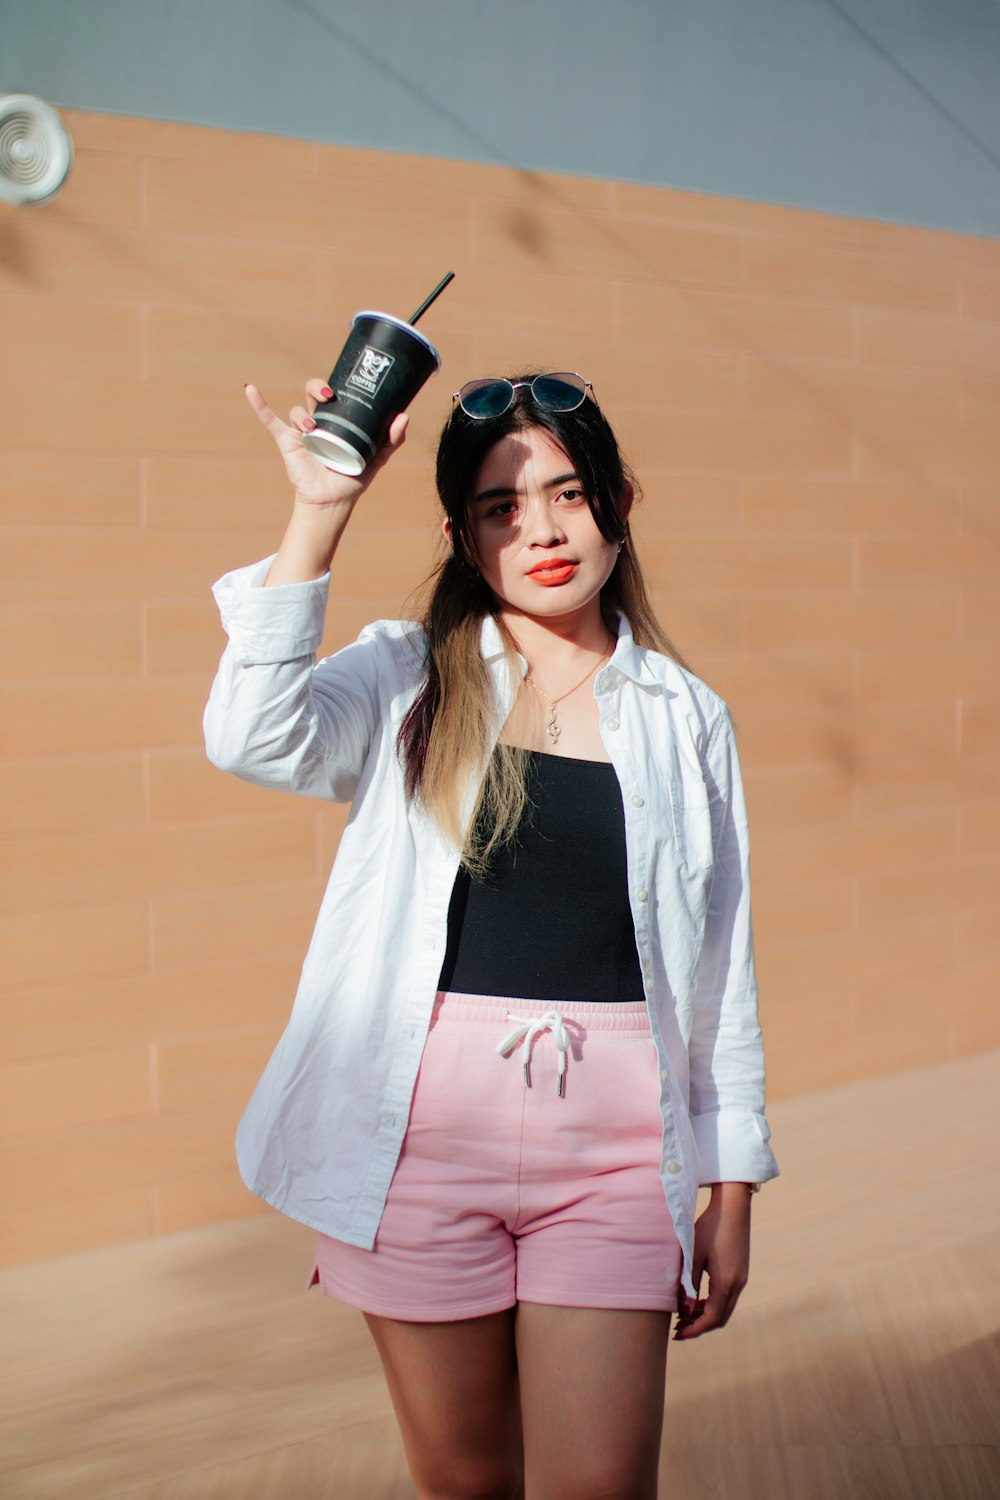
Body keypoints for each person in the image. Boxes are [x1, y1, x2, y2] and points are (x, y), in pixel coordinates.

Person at [205, 369, 779, 1500]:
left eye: (567, 493)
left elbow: (719, 964)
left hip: (614, 1153)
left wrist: (732, 1187)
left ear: (618, 499)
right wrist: (322, 508)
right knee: (466, 1483)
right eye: (501, 510)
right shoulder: (408, 675)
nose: (542, 530)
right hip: (411, 1141)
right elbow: (250, 735)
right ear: (467, 541)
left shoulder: (685, 715)